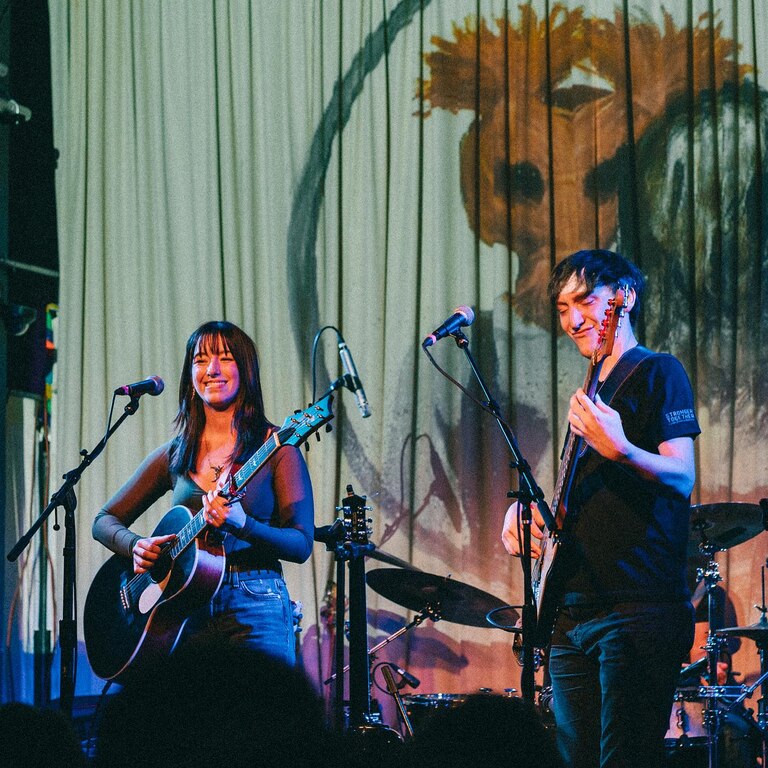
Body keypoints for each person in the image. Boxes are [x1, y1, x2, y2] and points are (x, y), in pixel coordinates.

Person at [501, 250, 700, 768]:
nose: (573, 320)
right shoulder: (590, 393)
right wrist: (530, 516)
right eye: (563, 309)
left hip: (635, 608)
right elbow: (585, 504)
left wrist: (623, 449)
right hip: (571, 613)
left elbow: (682, 475)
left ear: (624, 297)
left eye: (585, 301)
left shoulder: (658, 371)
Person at [92, 320, 314, 666]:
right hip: (183, 608)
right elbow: (104, 520)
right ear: (190, 376)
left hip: (256, 602)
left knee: (260, 703)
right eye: (200, 360)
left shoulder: (277, 448)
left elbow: (301, 545)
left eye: (225, 358)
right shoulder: (175, 453)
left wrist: (244, 525)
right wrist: (135, 546)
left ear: (246, 371)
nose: (212, 369)